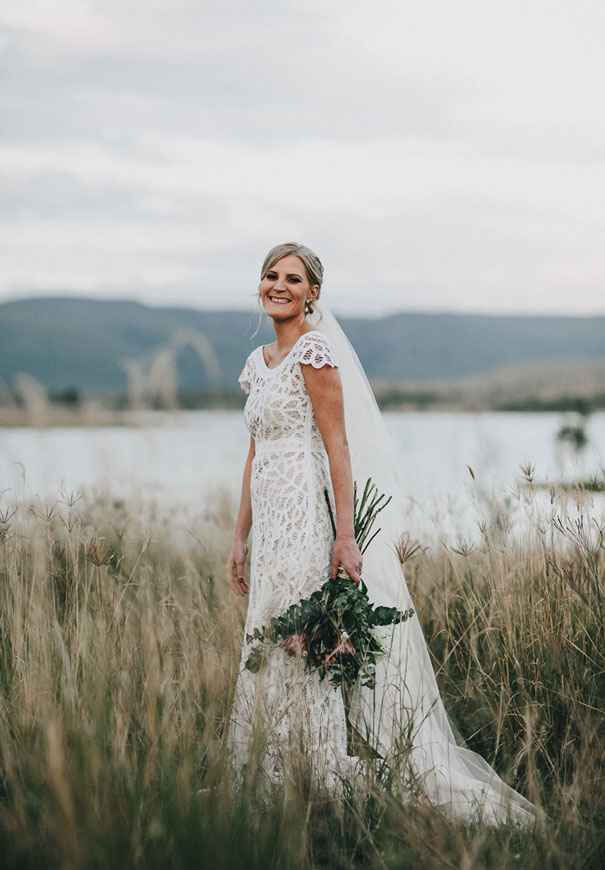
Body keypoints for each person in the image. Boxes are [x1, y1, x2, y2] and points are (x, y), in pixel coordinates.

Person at [226, 242, 538, 825]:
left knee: (304, 646)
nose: (279, 286)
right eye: (271, 275)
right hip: (270, 529)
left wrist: (344, 537)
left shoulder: (314, 352)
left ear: (312, 293)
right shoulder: (257, 363)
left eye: (293, 278)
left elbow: (338, 447)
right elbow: (254, 455)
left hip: (306, 522)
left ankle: (314, 768)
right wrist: (240, 537)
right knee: (269, 638)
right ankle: (270, 767)